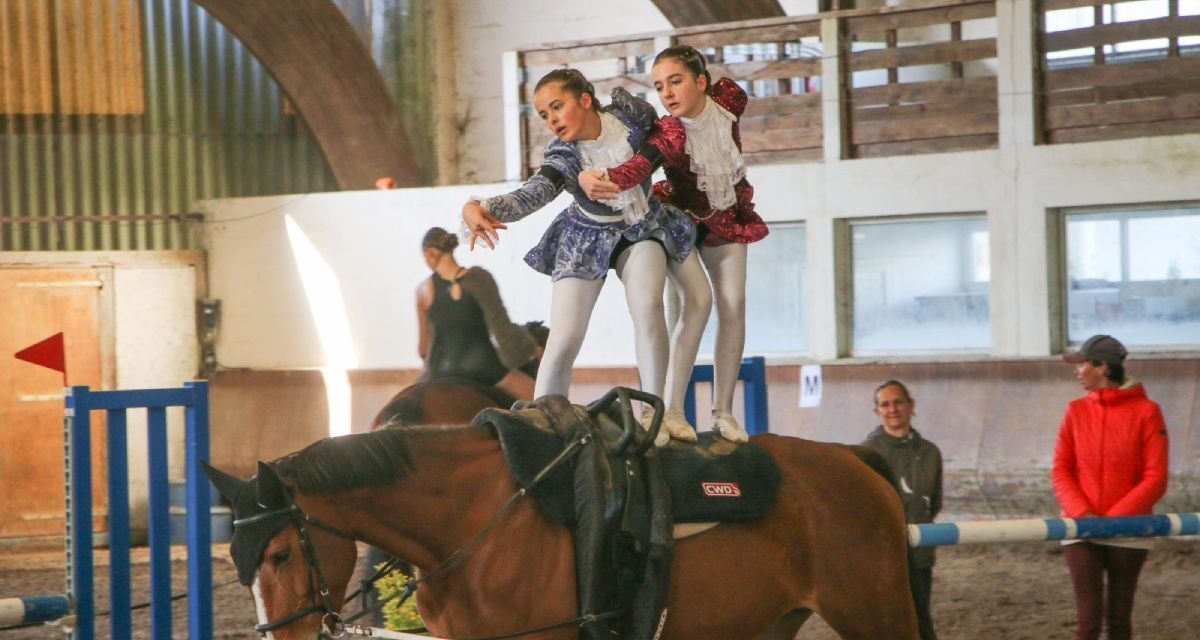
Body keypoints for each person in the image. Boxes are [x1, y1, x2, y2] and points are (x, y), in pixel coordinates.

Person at [461, 68, 712, 445]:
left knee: (647, 305)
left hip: (641, 226)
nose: (552, 120)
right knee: (564, 337)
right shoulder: (564, 155)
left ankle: (654, 413)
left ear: (584, 100)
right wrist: (480, 205)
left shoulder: (631, 115)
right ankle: (540, 422)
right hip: (585, 235)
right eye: (544, 115)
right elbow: (534, 193)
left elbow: (666, 141)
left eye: (557, 107)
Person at [578, 45, 769, 443]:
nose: (666, 92)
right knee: (693, 305)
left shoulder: (730, 98)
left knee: (733, 304)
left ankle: (724, 411)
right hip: (679, 219)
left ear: (702, 82)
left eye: (676, 81)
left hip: (727, 215)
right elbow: (639, 166)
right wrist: (605, 178)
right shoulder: (669, 130)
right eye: (659, 86)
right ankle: (672, 410)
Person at [1052, 334, 1169, 640]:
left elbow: (1155, 477)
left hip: (1129, 529)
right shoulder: (1074, 411)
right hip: (1081, 527)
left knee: (1119, 619)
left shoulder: (1147, 412)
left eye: (1082, 364)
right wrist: (1084, 515)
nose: (1076, 371)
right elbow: (1061, 471)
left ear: (1102, 367)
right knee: (1087, 623)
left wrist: (1114, 520)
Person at [860, 379, 942, 640]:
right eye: (885, 404)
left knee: (920, 619)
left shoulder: (930, 452)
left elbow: (934, 502)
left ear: (911, 406)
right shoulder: (865, 454)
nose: (892, 409)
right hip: (879, 554)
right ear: (877, 412)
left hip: (919, 554)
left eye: (898, 402)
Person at [416, 227, 539, 400]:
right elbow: (501, 328)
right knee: (539, 398)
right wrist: (531, 348)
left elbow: (423, 350)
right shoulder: (479, 278)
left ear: (429, 252)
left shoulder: (423, 291)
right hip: (482, 367)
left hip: (440, 372)